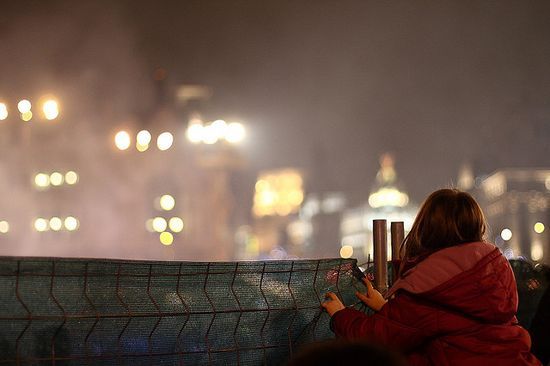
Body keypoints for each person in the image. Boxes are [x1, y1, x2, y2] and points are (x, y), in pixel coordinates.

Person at [322, 188, 541, 366]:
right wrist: (386, 308)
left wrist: (340, 316)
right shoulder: (494, 267)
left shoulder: (430, 280)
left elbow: (378, 338)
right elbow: (453, 320)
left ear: (425, 228)